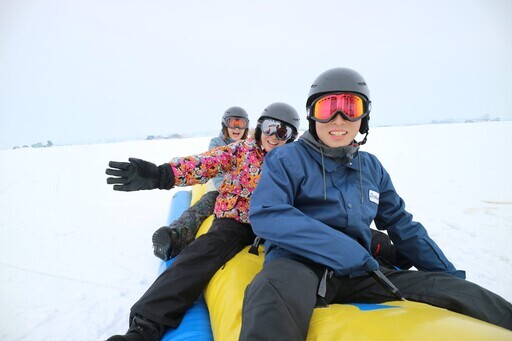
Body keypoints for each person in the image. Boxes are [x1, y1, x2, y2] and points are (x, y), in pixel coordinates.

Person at [239, 67, 512, 340]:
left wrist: (448, 275)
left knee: (460, 291)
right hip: (296, 264)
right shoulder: (287, 159)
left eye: (350, 108)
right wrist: (344, 250)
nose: (339, 119)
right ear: (312, 115)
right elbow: (268, 213)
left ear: (363, 117)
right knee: (269, 293)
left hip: (359, 270)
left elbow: (401, 224)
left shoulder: (370, 168)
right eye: (327, 109)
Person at [104, 102, 301, 341]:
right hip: (236, 221)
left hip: (275, 225)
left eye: (284, 132)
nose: (274, 136)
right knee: (199, 256)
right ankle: (144, 327)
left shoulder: (295, 162)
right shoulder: (242, 150)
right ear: (260, 128)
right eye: (270, 127)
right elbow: (204, 164)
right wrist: (161, 174)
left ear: (291, 137)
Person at [152, 106, 250, 261]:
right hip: (222, 189)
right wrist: (230, 191)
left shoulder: (251, 146)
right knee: (203, 206)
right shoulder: (218, 143)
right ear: (225, 125)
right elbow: (216, 171)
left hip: (246, 193)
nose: (236, 128)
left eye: (241, 123)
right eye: (232, 123)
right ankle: (174, 237)